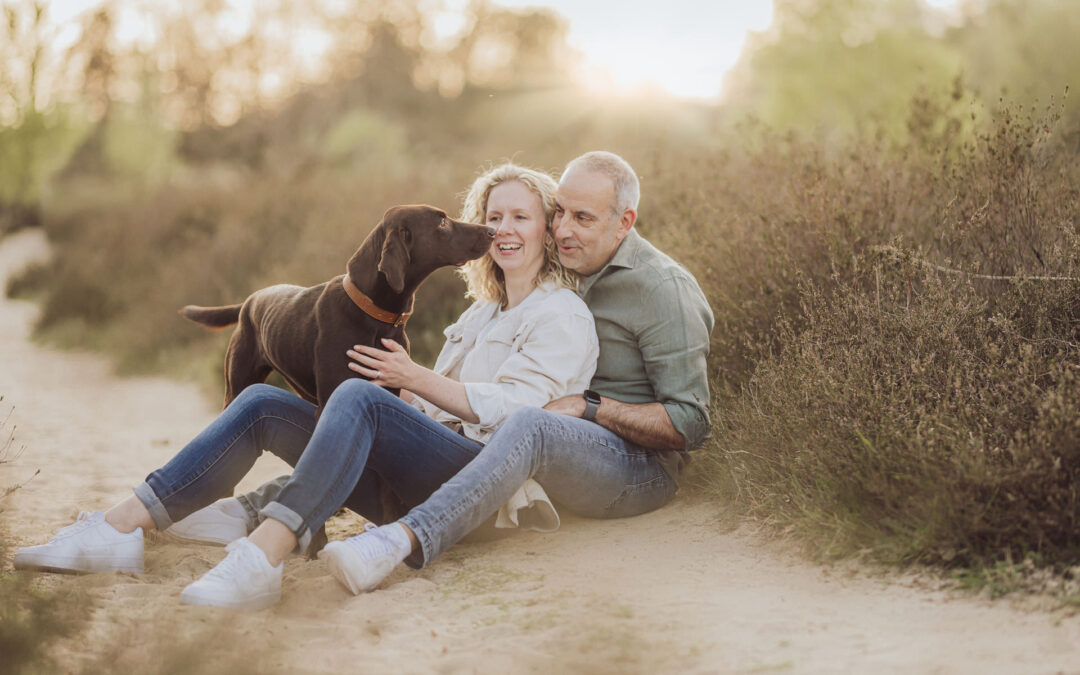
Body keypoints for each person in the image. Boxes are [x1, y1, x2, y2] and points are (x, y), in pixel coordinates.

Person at [13, 163, 599, 610]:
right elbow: (425, 402)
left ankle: (265, 554)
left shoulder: (561, 314)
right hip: (416, 474)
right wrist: (413, 395)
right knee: (264, 402)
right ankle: (120, 528)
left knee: (356, 393)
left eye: (520, 217)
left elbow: (524, 418)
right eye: (494, 217)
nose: (502, 230)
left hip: (475, 488)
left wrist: (409, 380)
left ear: (549, 231)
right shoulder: (479, 315)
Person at [316, 150, 715, 595]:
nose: (563, 229)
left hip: (637, 467)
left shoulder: (663, 289)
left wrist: (591, 407)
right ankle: (269, 509)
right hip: (557, 451)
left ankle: (400, 541)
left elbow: (691, 424)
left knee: (530, 420)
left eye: (582, 218)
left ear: (624, 223)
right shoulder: (567, 266)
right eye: (560, 212)